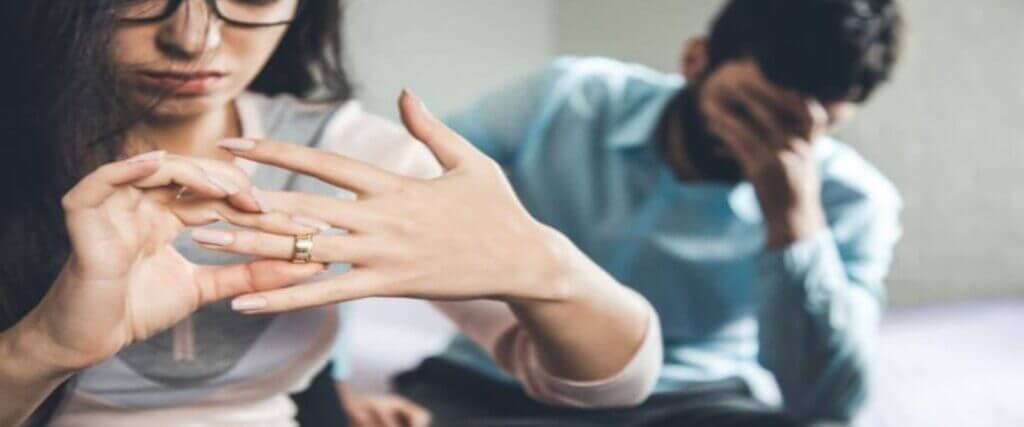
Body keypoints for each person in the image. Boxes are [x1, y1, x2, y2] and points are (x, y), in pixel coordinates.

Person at [0, 1, 662, 426]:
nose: (194, 37)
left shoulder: (356, 153)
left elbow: (608, 385)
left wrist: (546, 267)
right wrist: (45, 348)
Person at [387, 0, 906, 426]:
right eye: (745, 110)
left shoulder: (852, 202)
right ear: (696, 59)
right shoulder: (567, 98)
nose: (759, 145)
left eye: (797, 130)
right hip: (497, 381)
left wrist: (793, 221)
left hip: (690, 402)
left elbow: (828, 404)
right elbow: (410, 187)